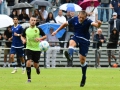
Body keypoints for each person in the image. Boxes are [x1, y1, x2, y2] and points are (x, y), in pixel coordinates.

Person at [52, 10, 102, 87]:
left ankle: (84, 76)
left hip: (85, 41)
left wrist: (99, 24)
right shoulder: (74, 19)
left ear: (85, 17)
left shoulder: (88, 21)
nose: (81, 19)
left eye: (83, 18)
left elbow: (96, 25)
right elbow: (65, 24)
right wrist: (56, 31)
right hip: (76, 37)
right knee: (71, 42)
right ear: (78, 15)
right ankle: (70, 55)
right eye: (80, 17)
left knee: (82, 61)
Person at [21, 15, 47, 82]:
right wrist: (23, 40)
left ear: (36, 22)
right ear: (29, 21)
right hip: (28, 48)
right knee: (28, 62)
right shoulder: (26, 29)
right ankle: (29, 79)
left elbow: (45, 36)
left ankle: (37, 67)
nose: (33, 21)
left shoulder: (38, 29)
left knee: (35, 64)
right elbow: (22, 36)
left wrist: (40, 38)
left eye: (34, 20)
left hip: (37, 49)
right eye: (32, 20)